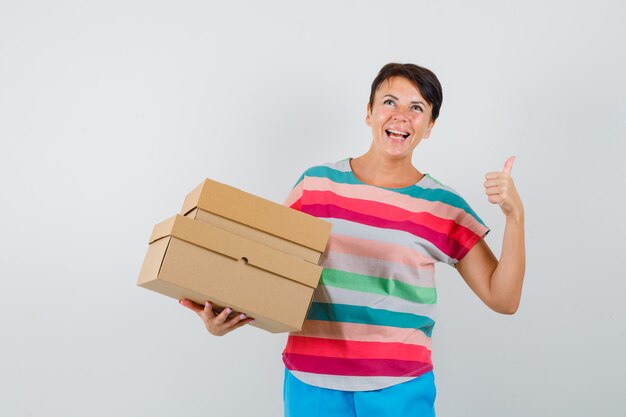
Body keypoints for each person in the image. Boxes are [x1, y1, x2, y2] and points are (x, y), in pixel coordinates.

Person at [179, 63, 526, 416]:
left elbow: (503, 298)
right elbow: (267, 273)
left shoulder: (443, 205)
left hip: (398, 387)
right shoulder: (316, 185)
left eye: (417, 107)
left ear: (430, 126)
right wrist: (221, 318)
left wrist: (515, 217)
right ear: (369, 112)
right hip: (311, 383)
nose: (401, 116)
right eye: (390, 102)